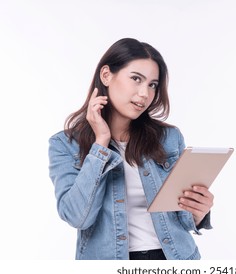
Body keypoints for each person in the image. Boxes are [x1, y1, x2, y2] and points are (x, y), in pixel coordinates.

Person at [48, 38, 213, 260]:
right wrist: (101, 142)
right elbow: (77, 217)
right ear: (106, 75)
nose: (145, 93)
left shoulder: (169, 138)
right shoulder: (65, 145)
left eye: (152, 85)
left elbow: (182, 219)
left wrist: (199, 213)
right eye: (136, 79)